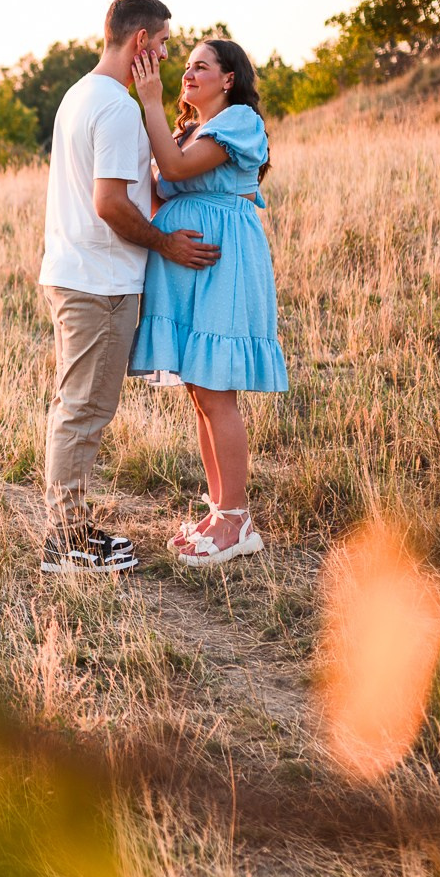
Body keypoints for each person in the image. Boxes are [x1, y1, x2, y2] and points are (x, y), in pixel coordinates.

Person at [36, 0, 219, 574]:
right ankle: (64, 543)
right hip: (99, 282)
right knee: (84, 409)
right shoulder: (115, 107)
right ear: (141, 41)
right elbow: (110, 203)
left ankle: (71, 528)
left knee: (78, 404)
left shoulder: (80, 94)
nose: (168, 55)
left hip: (78, 272)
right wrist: (167, 245)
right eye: (164, 43)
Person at [128, 38, 288, 566]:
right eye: (187, 66)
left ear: (229, 79)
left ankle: (238, 521)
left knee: (217, 391)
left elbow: (173, 171)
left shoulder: (239, 121)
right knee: (199, 389)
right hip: (183, 270)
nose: (188, 74)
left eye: (202, 66)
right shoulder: (186, 130)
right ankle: (219, 510)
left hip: (222, 264)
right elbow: (159, 189)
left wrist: (149, 99)